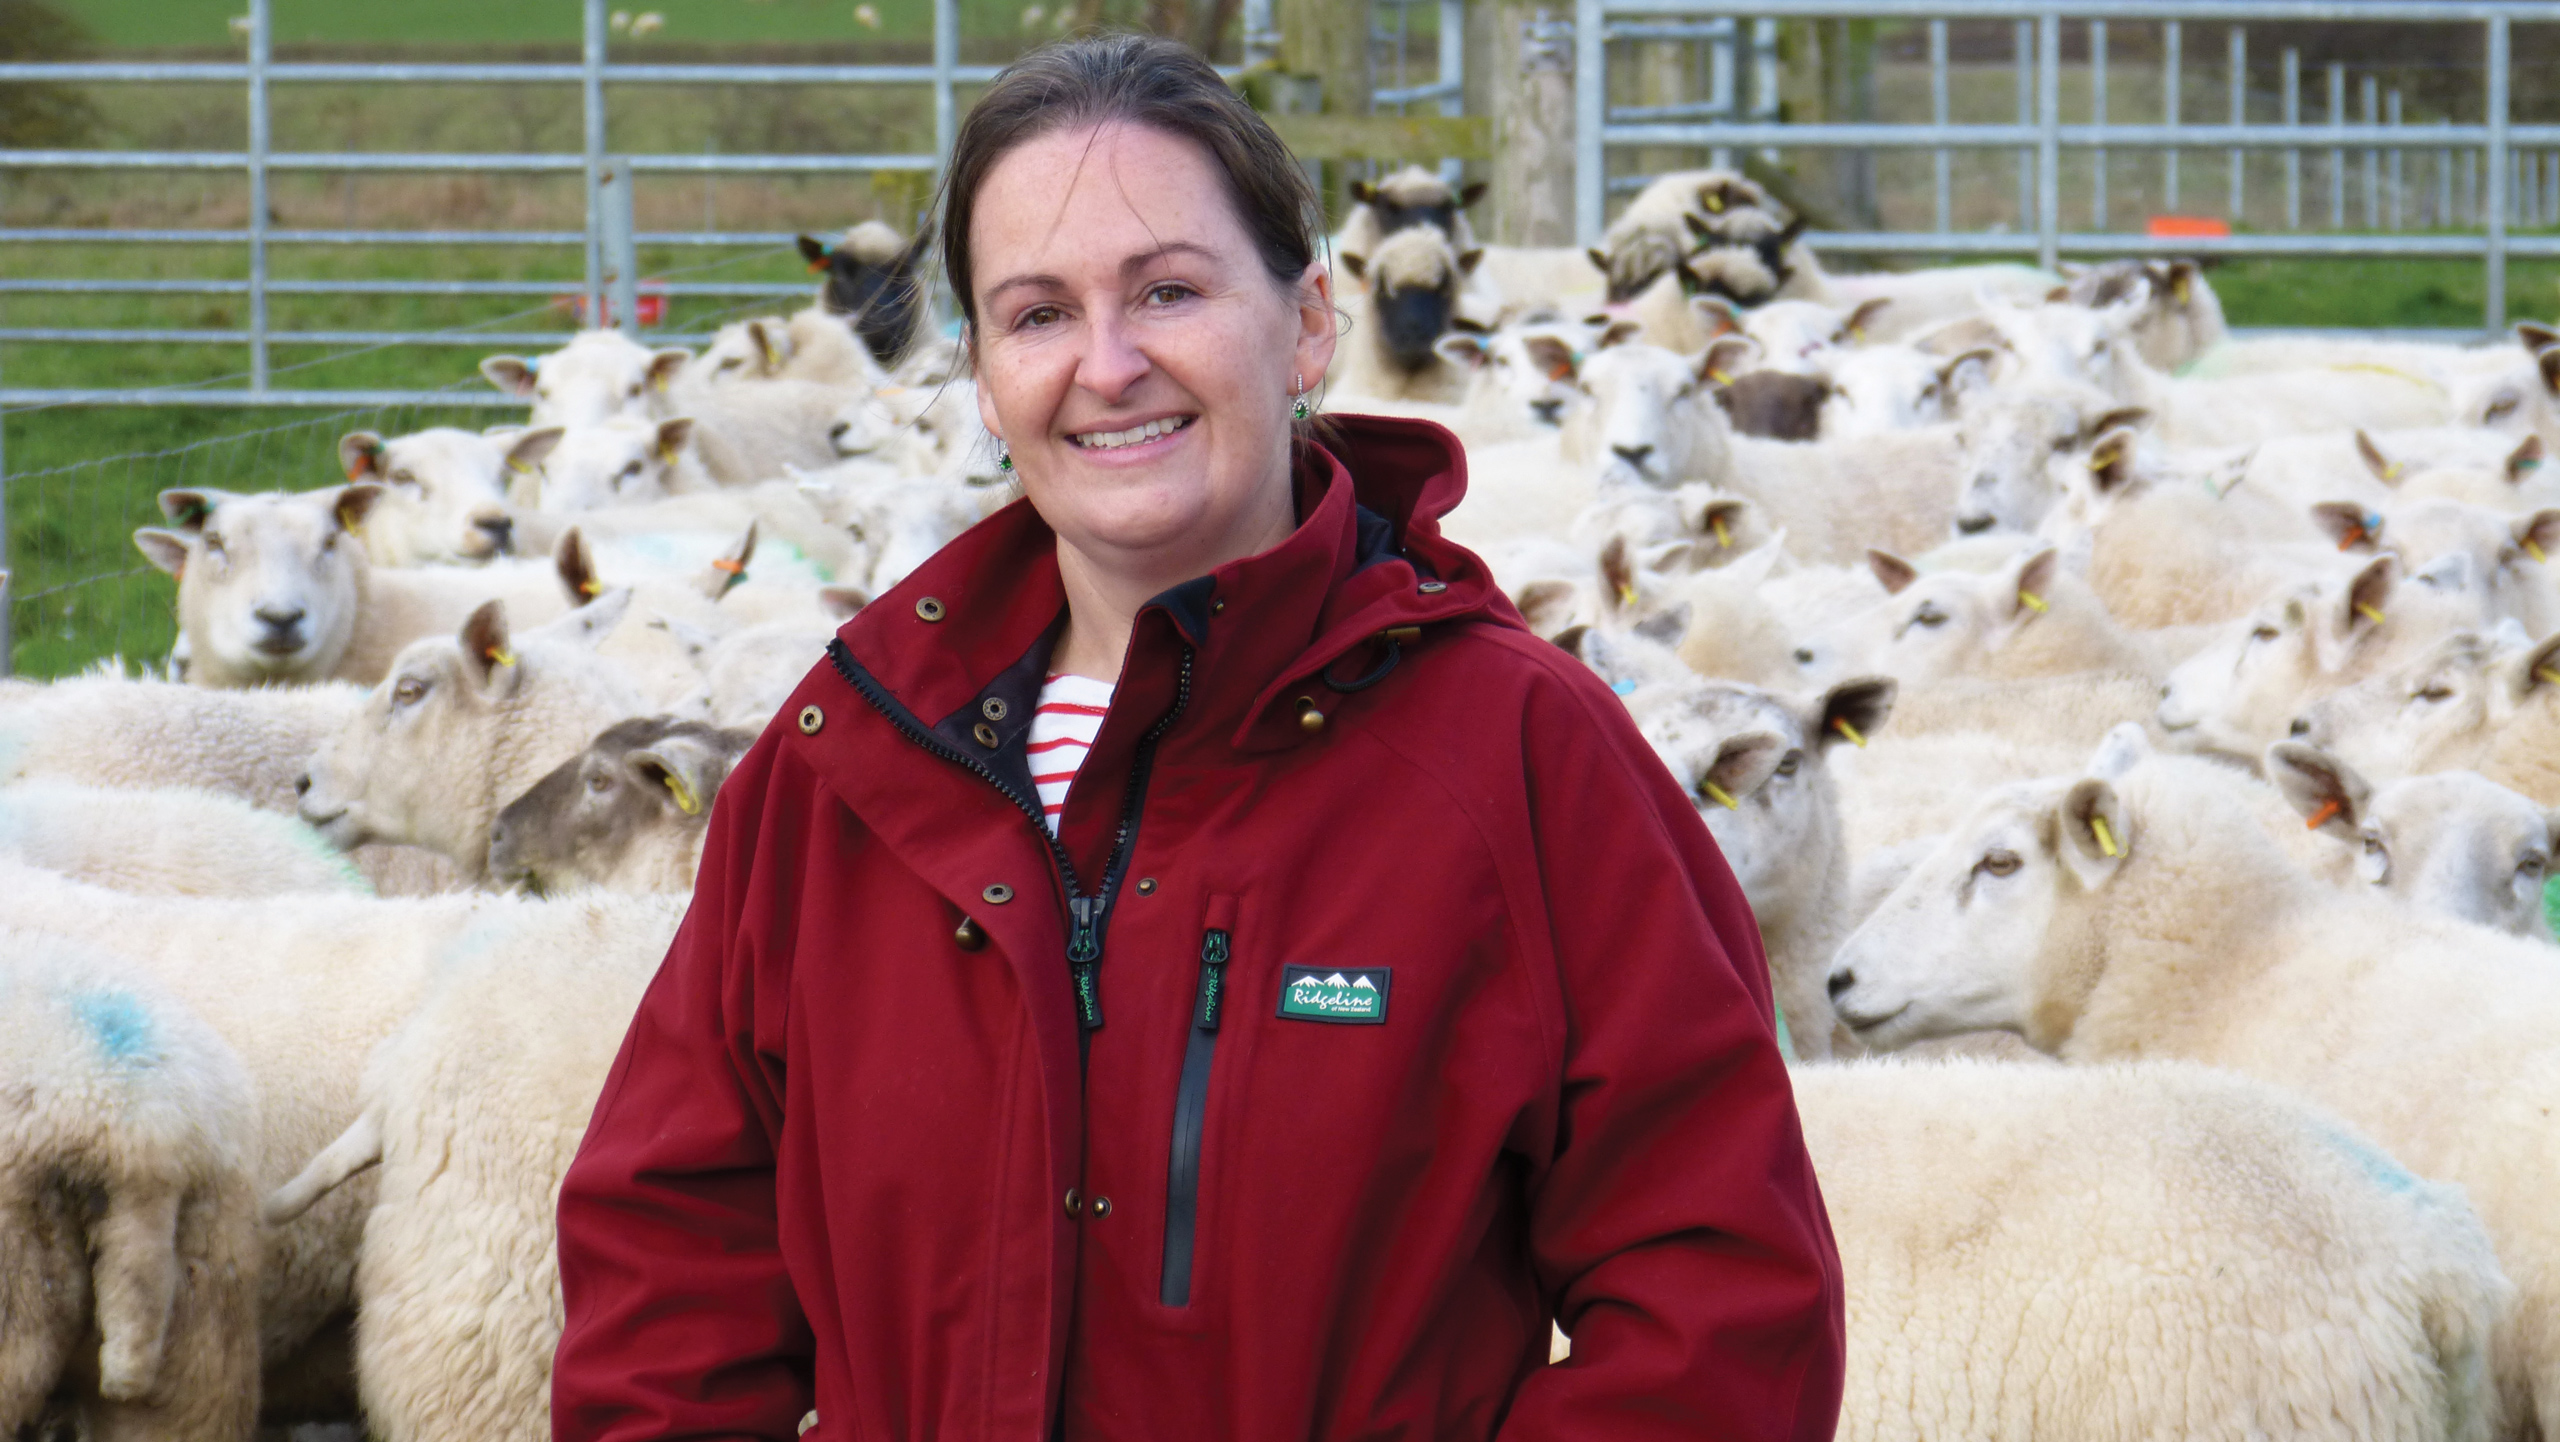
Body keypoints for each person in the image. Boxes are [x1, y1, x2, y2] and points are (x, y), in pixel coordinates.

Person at [551, 32, 1843, 1442]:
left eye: (1168, 289)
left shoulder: (1520, 759)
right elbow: (668, 1282)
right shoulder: (846, 771)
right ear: (981, 378)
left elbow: (1722, 1304)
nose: (1108, 365)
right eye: (1037, 314)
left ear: (1304, 322)